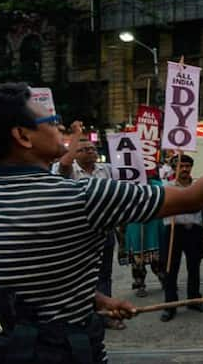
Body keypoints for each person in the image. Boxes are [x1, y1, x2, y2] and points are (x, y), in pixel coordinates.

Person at [0, 83, 203, 363]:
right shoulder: (83, 195)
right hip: (63, 350)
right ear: (22, 136)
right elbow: (193, 198)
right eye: (52, 122)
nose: (61, 131)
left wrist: (90, 299)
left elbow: (22, 279)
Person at [56, 134, 125, 331]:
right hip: (77, 234)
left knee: (104, 273)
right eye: (83, 149)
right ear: (74, 154)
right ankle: (83, 314)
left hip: (105, 230)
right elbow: (62, 169)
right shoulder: (65, 170)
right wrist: (74, 135)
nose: (90, 152)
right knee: (79, 274)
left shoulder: (108, 170)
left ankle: (106, 315)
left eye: (93, 149)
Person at [160, 154, 203, 322]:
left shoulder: (198, 187)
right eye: (180, 166)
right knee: (170, 269)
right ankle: (170, 305)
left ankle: (194, 300)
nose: (184, 169)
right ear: (174, 168)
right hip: (173, 231)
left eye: (187, 166)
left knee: (194, 266)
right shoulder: (167, 187)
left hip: (194, 230)